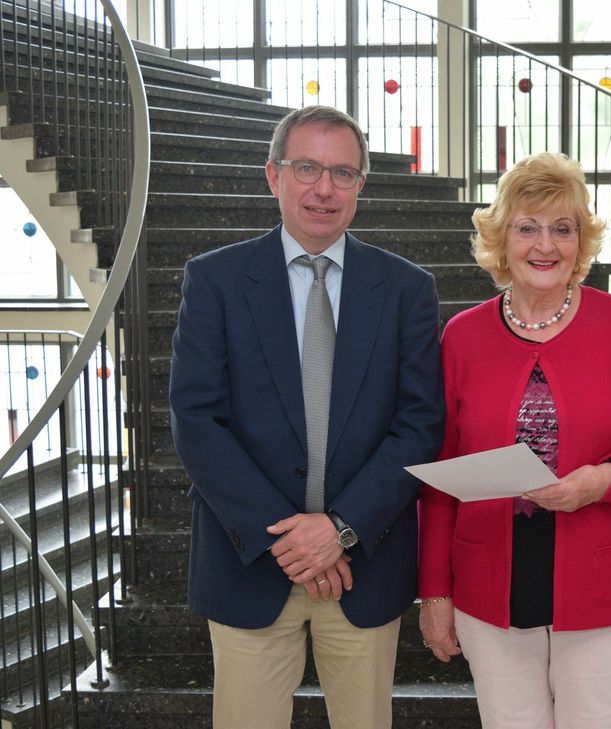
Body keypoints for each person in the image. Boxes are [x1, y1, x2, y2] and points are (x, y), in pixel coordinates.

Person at [169, 105, 445, 729]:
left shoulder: (406, 290)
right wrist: (293, 541)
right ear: (273, 175)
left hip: (364, 567)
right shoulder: (214, 281)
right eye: (307, 168)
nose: (325, 188)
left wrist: (340, 528)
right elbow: (196, 420)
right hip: (250, 564)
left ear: (361, 187)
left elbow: (419, 424)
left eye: (343, 173)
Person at [417, 151, 611, 729]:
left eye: (563, 229)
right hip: (490, 581)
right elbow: (440, 474)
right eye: (527, 227)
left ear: (580, 242)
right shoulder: (461, 337)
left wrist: (601, 480)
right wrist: (434, 593)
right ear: (501, 239)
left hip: (603, 577)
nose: (545, 245)